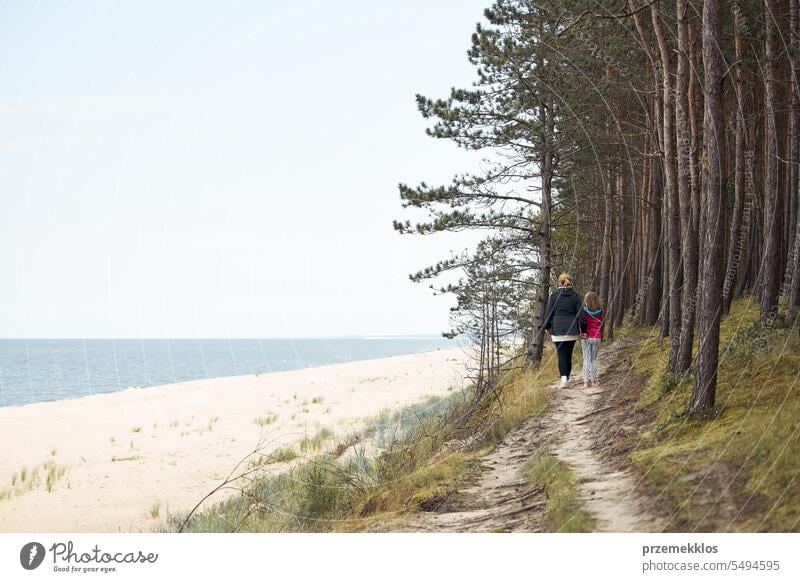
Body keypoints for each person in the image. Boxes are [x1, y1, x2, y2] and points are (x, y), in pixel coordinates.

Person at [544, 273, 586, 387]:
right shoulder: (575, 296)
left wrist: (547, 328)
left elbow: (549, 314)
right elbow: (581, 316)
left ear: (559, 282)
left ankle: (563, 379)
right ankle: (566, 378)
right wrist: (583, 330)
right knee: (568, 354)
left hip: (558, 330)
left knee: (562, 354)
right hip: (572, 330)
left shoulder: (554, 296)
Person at [581, 291, 604, 388]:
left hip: (586, 337)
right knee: (593, 360)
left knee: (586, 359)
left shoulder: (584, 311)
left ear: (586, 301)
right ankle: (594, 381)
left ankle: (586, 383)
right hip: (597, 337)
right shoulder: (601, 311)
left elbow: (582, 323)